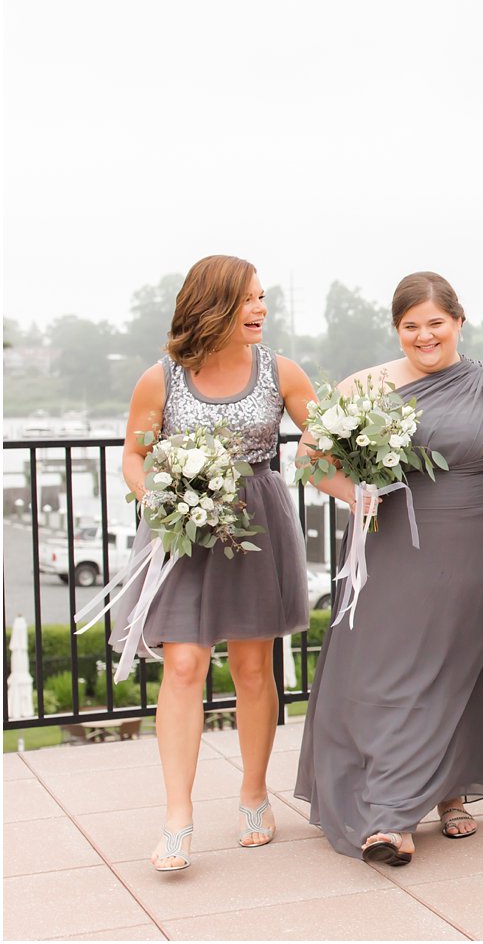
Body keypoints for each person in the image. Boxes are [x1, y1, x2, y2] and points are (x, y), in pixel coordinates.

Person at [294, 271, 483, 865]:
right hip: (393, 550)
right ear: (397, 329)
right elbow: (310, 458)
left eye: (435, 324)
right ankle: (389, 812)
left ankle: (441, 798)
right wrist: (355, 493)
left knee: (467, 672)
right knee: (393, 676)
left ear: (458, 320)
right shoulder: (365, 386)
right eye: (410, 326)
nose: (424, 336)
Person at [113, 255, 315, 871]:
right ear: (216, 305)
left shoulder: (280, 369)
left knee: (253, 667)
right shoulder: (162, 378)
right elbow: (134, 455)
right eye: (249, 299)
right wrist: (161, 498)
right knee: (183, 664)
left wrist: (325, 449)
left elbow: (324, 431)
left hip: (255, 523)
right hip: (184, 532)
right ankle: (178, 817)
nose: (261, 310)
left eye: (263, 299)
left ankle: (254, 794)